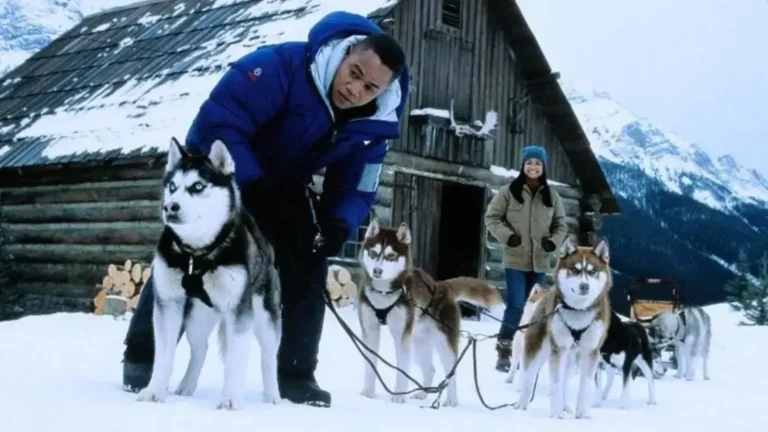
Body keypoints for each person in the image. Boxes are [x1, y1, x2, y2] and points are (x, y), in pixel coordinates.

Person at [121, 11, 409, 408]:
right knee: (183, 254)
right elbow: (221, 121)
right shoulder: (280, 66)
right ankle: (143, 354)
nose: (356, 89)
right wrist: (252, 187)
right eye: (355, 73)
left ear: (384, 91)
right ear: (344, 54)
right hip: (217, 167)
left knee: (309, 256)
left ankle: (294, 372)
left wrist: (338, 224)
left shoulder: (377, 123)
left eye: (370, 87)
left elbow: (357, 184)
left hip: (285, 181)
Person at [483, 146, 568, 372]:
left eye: (537, 163)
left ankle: (530, 350)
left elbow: (561, 224)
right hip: (515, 260)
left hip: (540, 261)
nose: (533, 167)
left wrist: (554, 241)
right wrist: (507, 237)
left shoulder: (552, 196)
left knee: (536, 309)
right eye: (529, 162)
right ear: (523, 165)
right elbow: (491, 218)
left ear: (543, 167)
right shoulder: (509, 192)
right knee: (516, 304)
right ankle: (504, 349)